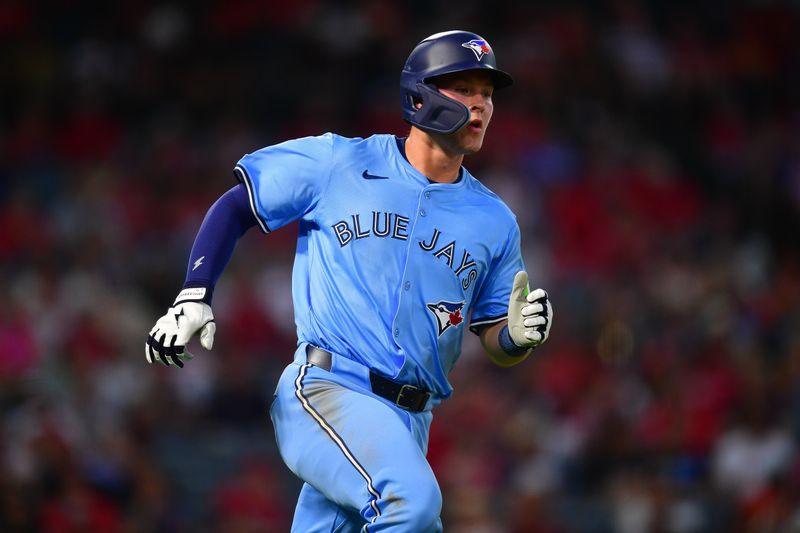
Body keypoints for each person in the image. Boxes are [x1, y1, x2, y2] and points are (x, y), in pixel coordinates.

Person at [145, 30, 553, 532]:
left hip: (410, 420)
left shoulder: (494, 219)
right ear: (419, 94)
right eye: (464, 88)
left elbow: (496, 338)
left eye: (487, 94)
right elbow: (236, 206)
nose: (481, 104)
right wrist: (194, 294)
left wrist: (517, 336)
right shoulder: (340, 161)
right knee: (411, 505)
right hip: (328, 387)